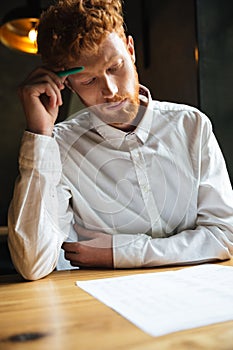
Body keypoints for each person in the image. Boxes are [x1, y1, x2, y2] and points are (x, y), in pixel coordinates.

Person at [8, 0, 233, 280]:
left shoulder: (191, 126)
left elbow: (225, 236)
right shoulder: (59, 146)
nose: (110, 91)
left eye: (115, 67)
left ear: (130, 49)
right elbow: (32, 264)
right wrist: (39, 136)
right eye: (88, 81)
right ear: (66, 84)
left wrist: (121, 253)